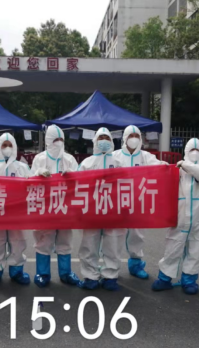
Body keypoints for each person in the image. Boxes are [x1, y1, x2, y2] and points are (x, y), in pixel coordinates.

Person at [152, 138, 199, 295]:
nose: (194, 153)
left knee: (198, 248)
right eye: (191, 150)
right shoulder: (178, 169)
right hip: (180, 215)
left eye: (197, 150)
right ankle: (164, 278)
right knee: (173, 247)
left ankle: (189, 280)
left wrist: (186, 165)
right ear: (186, 152)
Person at [113, 125, 166, 280]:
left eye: (137, 136)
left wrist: (167, 166)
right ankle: (112, 267)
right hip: (118, 202)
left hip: (138, 202)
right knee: (115, 235)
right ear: (125, 138)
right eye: (131, 136)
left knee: (137, 235)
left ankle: (136, 266)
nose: (134, 139)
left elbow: (159, 166)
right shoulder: (115, 156)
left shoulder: (146, 156)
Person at [31, 124, 80, 288]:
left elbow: (81, 181)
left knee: (65, 241)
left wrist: (73, 176)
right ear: (48, 141)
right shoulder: (39, 159)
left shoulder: (69, 160)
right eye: (55, 139)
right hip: (45, 209)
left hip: (65, 207)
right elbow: (29, 183)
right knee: (43, 241)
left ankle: (66, 273)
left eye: (61, 139)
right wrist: (38, 174)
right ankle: (42, 273)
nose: (59, 143)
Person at [0, 133, 31, 287]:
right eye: (4, 145)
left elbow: (33, 186)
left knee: (18, 242)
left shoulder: (22, 167)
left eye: (10, 145)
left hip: (17, 215)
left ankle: (17, 271)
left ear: (14, 147)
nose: (7, 148)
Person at [77, 127, 124, 291]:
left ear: (111, 141)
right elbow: (77, 187)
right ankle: (90, 277)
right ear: (95, 141)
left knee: (113, 245)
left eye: (107, 138)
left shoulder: (119, 163)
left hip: (113, 210)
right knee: (89, 245)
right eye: (101, 138)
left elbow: (127, 186)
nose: (104, 141)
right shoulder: (86, 163)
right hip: (92, 210)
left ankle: (111, 276)